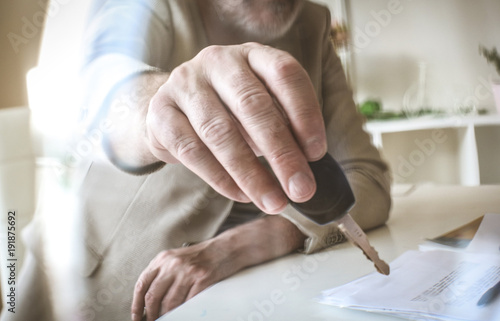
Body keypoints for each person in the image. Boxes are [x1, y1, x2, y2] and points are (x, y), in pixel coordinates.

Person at [1, 1, 391, 321]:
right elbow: (100, 86)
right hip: (90, 288)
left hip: (240, 294)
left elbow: (369, 180)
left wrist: (260, 238)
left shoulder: (314, 21)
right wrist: (156, 109)